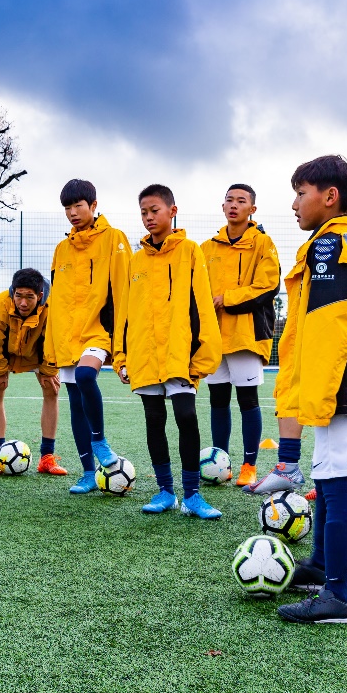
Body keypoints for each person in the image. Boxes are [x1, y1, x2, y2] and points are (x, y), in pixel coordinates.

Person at [273, 155, 347, 625]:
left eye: (301, 193)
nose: (294, 204)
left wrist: (314, 394)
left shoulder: (331, 247)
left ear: (330, 197)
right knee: (327, 477)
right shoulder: (338, 244)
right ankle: (322, 567)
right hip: (338, 380)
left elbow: (332, 328)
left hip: (341, 381)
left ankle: (340, 596)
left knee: (339, 478)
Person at [115, 184, 223, 518]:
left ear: (172, 211)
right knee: (153, 420)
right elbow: (125, 311)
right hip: (144, 354)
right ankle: (165, 492)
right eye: (144, 212)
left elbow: (203, 305)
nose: (149, 217)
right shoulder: (135, 259)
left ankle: (192, 496)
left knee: (186, 417)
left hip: (181, 354)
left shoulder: (190, 250)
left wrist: (203, 355)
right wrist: (121, 356)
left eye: (155, 210)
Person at [45, 179, 131, 494]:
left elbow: (124, 290)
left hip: (100, 330)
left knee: (85, 375)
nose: (72, 213)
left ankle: (100, 440)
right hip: (68, 335)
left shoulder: (115, 239)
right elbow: (56, 301)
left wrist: (122, 342)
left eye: (78, 206)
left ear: (93, 206)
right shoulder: (61, 248)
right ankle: (86, 472)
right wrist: (52, 345)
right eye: (67, 207)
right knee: (74, 403)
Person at [201, 184, 280, 488]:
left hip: (246, 335)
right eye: (229, 200)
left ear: (252, 210)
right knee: (218, 400)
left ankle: (249, 465)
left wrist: (227, 298)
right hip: (214, 337)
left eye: (241, 201)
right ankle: (220, 462)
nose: (234, 205)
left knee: (248, 400)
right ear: (223, 207)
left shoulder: (263, 243)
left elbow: (267, 286)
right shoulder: (206, 248)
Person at [0, 268, 66, 477]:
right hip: (6, 353)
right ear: (13, 292)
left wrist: (48, 370)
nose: (23, 303)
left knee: (52, 391)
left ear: (40, 296)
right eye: (19, 296)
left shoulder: (54, 305)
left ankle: (47, 457)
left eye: (30, 297)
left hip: (39, 352)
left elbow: (55, 341)